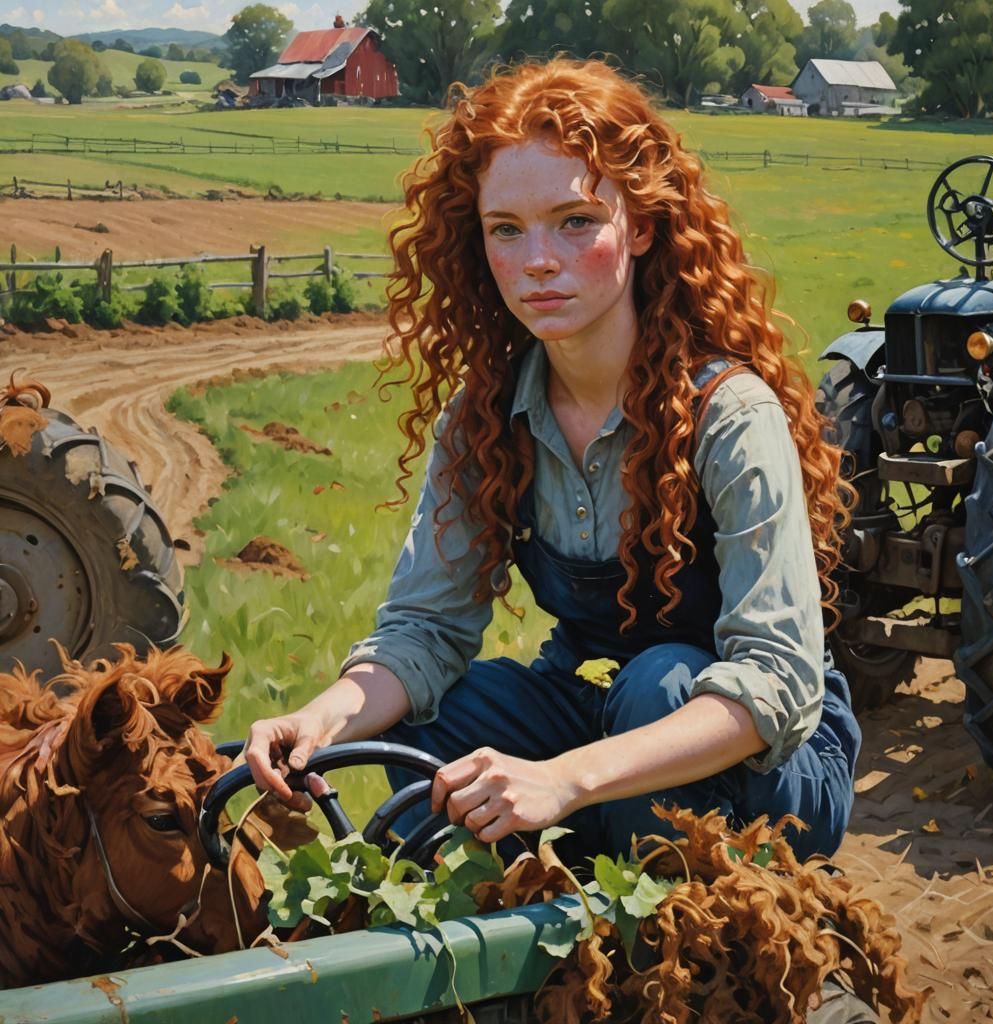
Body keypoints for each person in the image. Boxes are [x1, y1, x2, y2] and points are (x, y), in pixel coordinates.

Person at [244, 58, 862, 867]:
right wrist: (321, 720)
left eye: (574, 221)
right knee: (429, 728)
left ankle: (661, 944)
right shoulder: (486, 416)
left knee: (663, 677)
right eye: (507, 229)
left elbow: (778, 684)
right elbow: (424, 630)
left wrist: (563, 781)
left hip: (771, 766)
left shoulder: (730, 414)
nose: (538, 259)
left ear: (639, 226)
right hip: (601, 711)